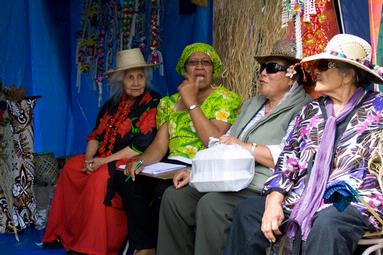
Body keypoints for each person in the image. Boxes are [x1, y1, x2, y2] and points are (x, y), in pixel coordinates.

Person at [224, 33, 383, 255]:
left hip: (351, 197)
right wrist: (274, 200)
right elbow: (289, 159)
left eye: (325, 65)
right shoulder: (311, 111)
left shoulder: (379, 110)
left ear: (348, 75)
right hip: (303, 195)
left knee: (328, 221)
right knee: (248, 211)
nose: (316, 71)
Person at [156, 39, 312, 255]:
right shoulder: (253, 104)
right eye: (262, 68)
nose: (262, 74)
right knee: (175, 198)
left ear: (292, 75)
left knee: (212, 205)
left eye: (272, 68)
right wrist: (195, 171)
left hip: (261, 185)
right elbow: (224, 141)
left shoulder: (303, 109)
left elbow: (289, 158)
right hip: (230, 177)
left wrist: (245, 146)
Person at [115, 43, 242, 255]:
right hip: (169, 165)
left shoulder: (226, 98)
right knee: (128, 179)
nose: (200, 67)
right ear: (184, 69)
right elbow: (159, 146)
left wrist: (192, 103)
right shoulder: (169, 103)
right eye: (193, 62)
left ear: (214, 69)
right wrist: (140, 161)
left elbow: (214, 139)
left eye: (206, 62)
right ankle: (146, 246)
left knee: (163, 192)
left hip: (200, 166)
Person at [42, 48, 161, 255]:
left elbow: (139, 147)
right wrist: (89, 159)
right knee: (71, 168)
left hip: (132, 158)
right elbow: (95, 137)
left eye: (140, 76)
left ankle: (90, 245)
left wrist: (102, 162)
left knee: (99, 178)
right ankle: (63, 232)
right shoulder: (112, 104)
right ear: (120, 81)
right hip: (103, 158)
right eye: (130, 77)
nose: (136, 82)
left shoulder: (153, 103)